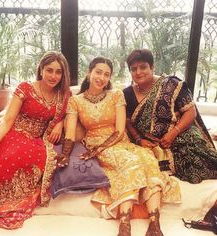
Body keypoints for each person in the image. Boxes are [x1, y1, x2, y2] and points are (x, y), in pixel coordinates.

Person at [57, 57, 180, 236]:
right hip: (95, 143)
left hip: (118, 141)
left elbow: (120, 130)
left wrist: (99, 149)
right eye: (98, 72)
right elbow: (69, 133)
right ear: (88, 72)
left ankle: (155, 223)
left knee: (148, 159)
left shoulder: (116, 95)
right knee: (131, 163)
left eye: (107, 74)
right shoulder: (76, 101)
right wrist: (66, 154)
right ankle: (124, 224)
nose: (102, 77)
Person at [0, 51, 71, 229]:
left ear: (63, 74)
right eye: (49, 70)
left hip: (36, 139)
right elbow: (7, 119)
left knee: (38, 159)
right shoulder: (26, 88)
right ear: (41, 69)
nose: (53, 76)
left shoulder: (64, 94)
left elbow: (70, 113)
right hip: (11, 132)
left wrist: (60, 123)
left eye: (58, 72)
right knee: (4, 159)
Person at [123, 48, 217, 184]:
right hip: (149, 141)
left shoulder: (171, 84)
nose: (138, 72)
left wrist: (173, 133)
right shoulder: (127, 93)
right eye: (133, 69)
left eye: (143, 67)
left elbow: (191, 112)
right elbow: (127, 121)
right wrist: (138, 139)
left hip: (180, 132)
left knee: (200, 160)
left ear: (152, 67)